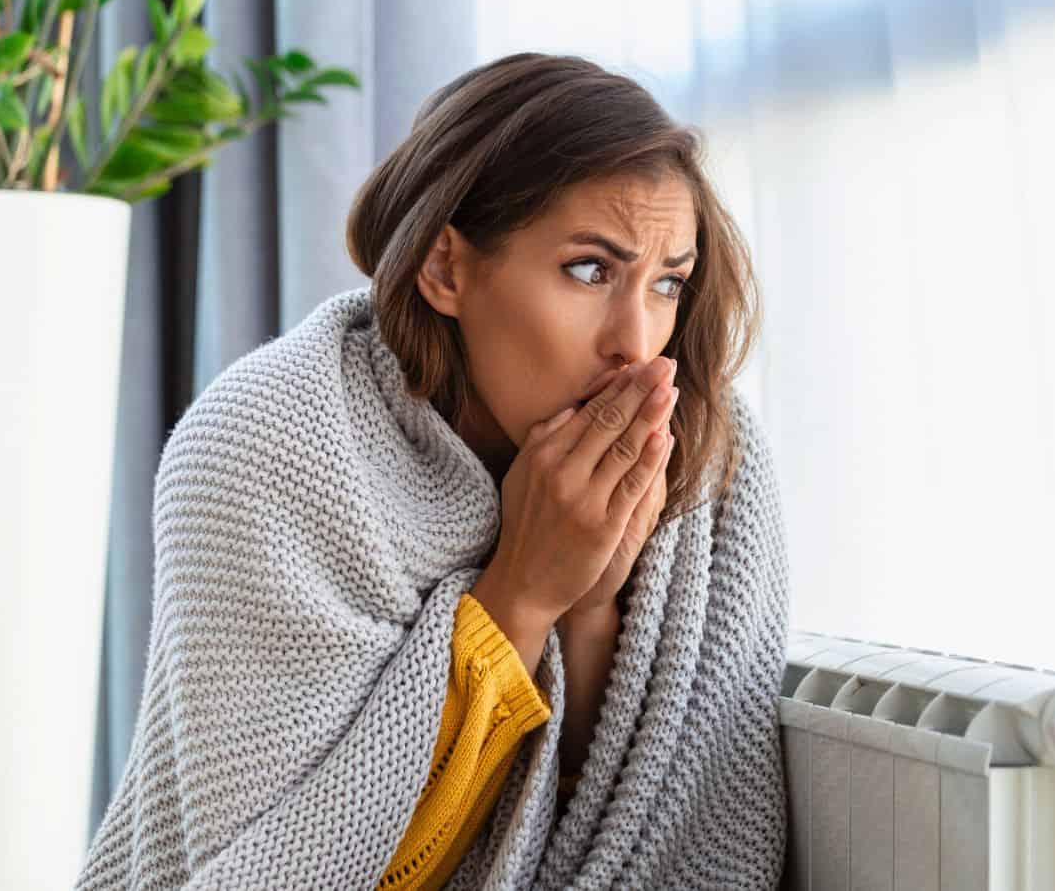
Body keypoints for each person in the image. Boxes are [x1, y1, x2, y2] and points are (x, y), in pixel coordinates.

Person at [76, 52, 792, 891]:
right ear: (446, 268)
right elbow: (288, 871)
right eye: (590, 270)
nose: (637, 342)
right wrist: (522, 593)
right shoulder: (267, 446)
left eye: (669, 283)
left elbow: (644, 826)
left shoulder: (704, 452)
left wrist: (590, 606)